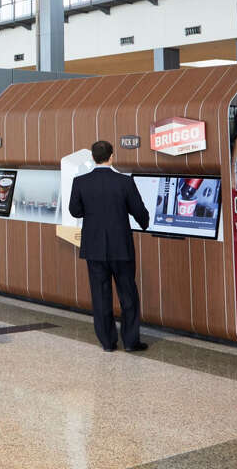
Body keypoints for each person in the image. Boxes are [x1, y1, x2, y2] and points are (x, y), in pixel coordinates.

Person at [68, 140, 150, 353]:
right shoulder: (124, 182)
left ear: (93, 158)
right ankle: (131, 342)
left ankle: (107, 342)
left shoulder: (80, 182)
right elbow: (138, 210)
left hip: (94, 247)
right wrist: (146, 223)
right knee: (128, 294)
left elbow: (74, 211)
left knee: (100, 296)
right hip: (121, 247)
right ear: (112, 156)